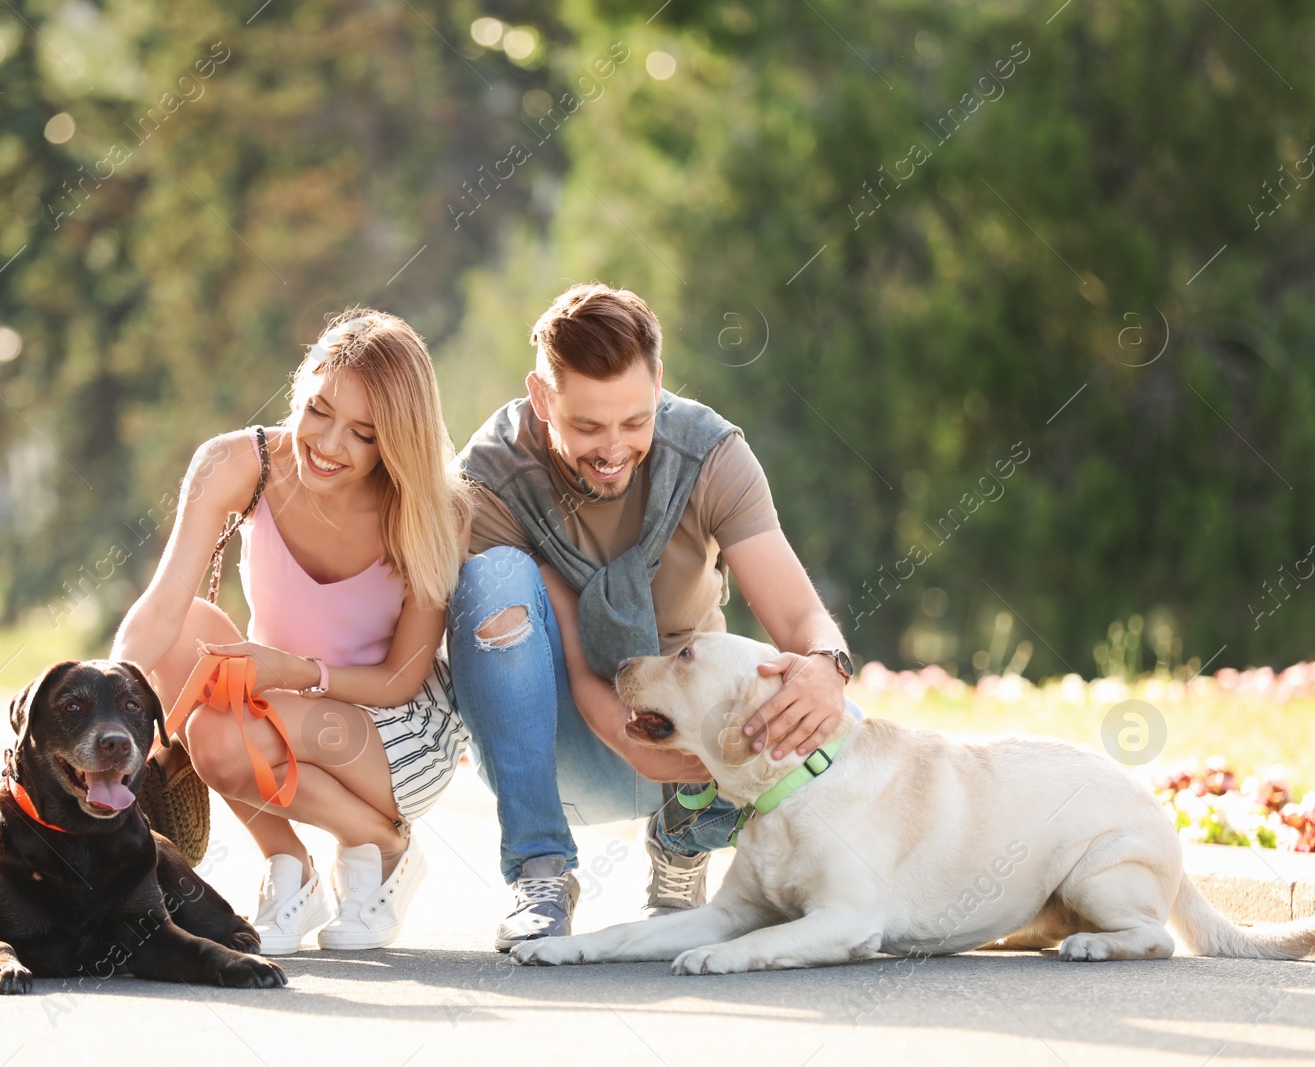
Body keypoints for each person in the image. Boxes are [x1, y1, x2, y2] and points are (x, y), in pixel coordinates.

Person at [450, 283, 863, 951]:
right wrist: (627, 733)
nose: (614, 448)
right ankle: (541, 869)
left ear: (659, 385)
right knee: (491, 575)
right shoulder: (493, 474)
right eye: (586, 425)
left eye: (635, 421)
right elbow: (584, 668)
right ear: (541, 395)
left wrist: (825, 667)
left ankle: (685, 840)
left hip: (702, 757)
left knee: (849, 729)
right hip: (557, 746)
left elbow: (799, 616)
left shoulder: (709, 453)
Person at [111, 309, 470, 953]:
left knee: (237, 728)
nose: (329, 445)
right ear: (300, 389)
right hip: (279, 705)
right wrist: (103, 711)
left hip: (398, 733)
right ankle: (291, 870)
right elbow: (163, 605)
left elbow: (400, 679)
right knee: (198, 675)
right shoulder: (236, 463)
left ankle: (386, 844)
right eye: (318, 411)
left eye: (363, 433)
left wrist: (297, 674)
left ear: (397, 440)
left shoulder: (433, 508)